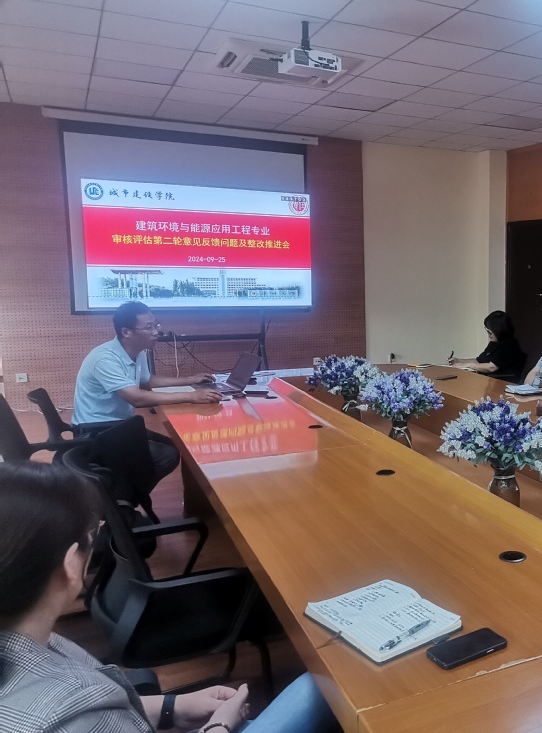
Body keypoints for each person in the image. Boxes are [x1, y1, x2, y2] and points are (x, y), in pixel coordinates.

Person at [0, 461, 338, 733]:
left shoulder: (25, 636)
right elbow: (89, 714)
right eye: (93, 533)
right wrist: (219, 725)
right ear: (71, 564)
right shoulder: (68, 717)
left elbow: (102, 706)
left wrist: (171, 707)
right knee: (323, 689)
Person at [72, 302, 221, 495]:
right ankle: (120, 500)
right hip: (96, 431)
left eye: (156, 325)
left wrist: (190, 380)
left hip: (119, 426)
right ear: (126, 332)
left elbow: (147, 381)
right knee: (166, 455)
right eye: (148, 327)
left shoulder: (137, 351)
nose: (156, 332)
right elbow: (137, 399)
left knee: (174, 446)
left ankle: (123, 493)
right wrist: (191, 396)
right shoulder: (105, 359)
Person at [448, 311, 526, 376]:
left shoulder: (509, 345)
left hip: (503, 382)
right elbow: (478, 361)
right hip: (489, 381)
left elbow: (491, 367)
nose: (488, 335)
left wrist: (469, 365)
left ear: (499, 331)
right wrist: (458, 361)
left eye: (490, 332)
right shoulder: (494, 343)